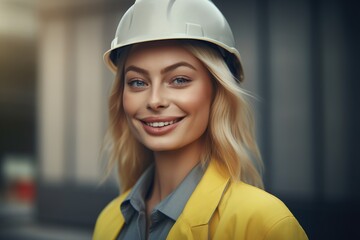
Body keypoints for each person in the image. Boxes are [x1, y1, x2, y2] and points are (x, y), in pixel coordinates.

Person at [93, 0, 308, 239]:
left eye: (180, 79)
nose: (154, 100)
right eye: (137, 82)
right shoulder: (109, 222)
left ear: (217, 90)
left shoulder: (264, 224)